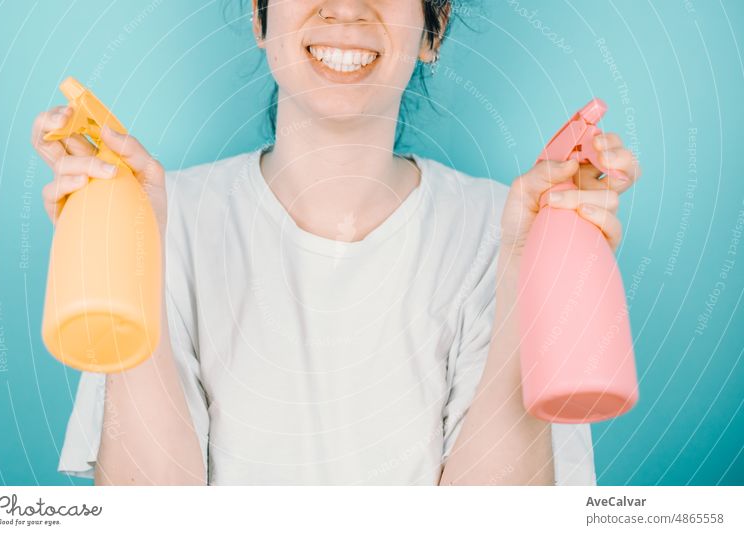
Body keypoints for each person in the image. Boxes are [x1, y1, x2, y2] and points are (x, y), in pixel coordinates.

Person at [31, 0, 640, 485]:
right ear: (259, 17)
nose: (346, 8)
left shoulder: (510, 230)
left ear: (435, 27)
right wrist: (134, 250)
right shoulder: (165, 219)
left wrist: (523, 270)